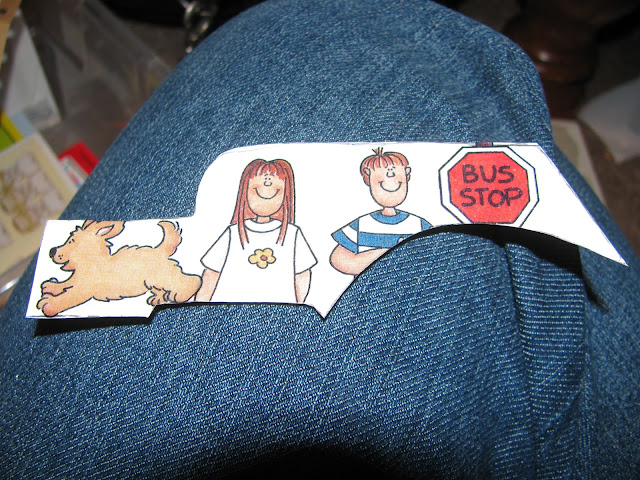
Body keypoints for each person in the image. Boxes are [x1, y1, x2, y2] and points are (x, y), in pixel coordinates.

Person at [0, 1, 638, 478]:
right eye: (260, 187)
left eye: (273, 188)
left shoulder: (314, 224)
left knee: (288, 29)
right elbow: (218, 262)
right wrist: (203, 277)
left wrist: (331, 266)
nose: (266, 195)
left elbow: (315, 262)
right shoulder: (235, 228)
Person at [196, 158, 316, 304]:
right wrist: (200, 302)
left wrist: (298, 304)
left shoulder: (292, 234)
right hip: (227, 304)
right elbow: (212, 272)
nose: (267, 187)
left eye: (277, 191)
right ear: (244, 193)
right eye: (256, 190)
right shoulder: (233, 232)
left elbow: (302, 274)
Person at [330, 147, 431, 275]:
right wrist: (385, 255)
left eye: (398, 178)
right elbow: (339, 260)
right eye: (381, 181)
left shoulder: (419, 225)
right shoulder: (361, 225)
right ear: (369, 178)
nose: (390, 178)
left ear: (407, 174)